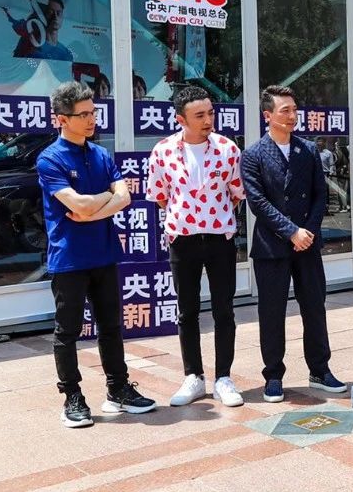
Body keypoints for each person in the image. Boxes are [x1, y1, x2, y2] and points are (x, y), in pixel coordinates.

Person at [37, 81, 155, 428]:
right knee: (67, 331)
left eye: (93, 112)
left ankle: (118, 389)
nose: (91, 120)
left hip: (104, 254)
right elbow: (79, 204)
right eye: (83, 114)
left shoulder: (101, 155)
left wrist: (92, 209)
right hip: (69, 258)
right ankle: (72, 396)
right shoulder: (50, 159)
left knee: (111, 327)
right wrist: (103, 199)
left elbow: (125, 197)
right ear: (62, 119)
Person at [242, 85, 345, 403]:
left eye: (294, 110)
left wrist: (307, 232)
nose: (291, 116)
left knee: (314, 307)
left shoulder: (308, 150)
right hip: (271, 246)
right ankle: (273, 376)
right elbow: (258, 202)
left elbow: (320, 195)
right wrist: (291, 231)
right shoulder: (253, 155)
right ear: (268, 115)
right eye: (284, 110)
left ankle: (320, 369)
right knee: (271, 312)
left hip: (307, 244)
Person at [148, 86, 246, 409]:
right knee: (187, 310)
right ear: (181, 119)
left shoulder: (228, 149)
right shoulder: (163, 151)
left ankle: (224, 377)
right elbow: (161, 196)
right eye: (199, 115)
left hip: (220, 238)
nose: (208, 121)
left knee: (224, 309)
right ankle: (193, 376)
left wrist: (212, 217)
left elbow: (236, 193)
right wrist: (188, 218)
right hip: (183, 239)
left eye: (211, 113)